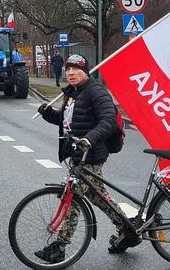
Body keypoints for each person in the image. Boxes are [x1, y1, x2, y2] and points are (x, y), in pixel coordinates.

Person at [35, 54, 140, 264]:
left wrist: (89, 139)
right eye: (68, 69)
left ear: (86, 71)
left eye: (76, 69)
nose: (71, 73)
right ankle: (128, 230)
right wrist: (49, 114)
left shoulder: (95, 92)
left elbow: (109, 120)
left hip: (90, 154)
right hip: (77, 155)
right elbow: (67, 120)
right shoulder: (74, 93)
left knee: (72, 199)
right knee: (98, 197)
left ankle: (59, 246)